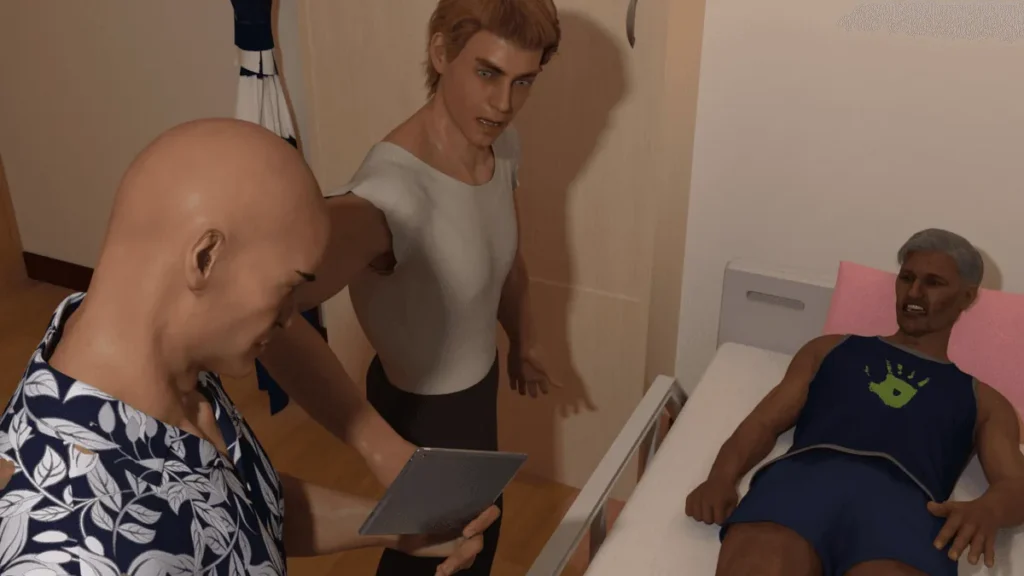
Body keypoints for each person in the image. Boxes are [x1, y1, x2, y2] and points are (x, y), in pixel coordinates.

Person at [0, 119, 497, 576]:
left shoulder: (165, 356)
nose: (290, 318)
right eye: (287, 288)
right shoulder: (63, 551)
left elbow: (241, 511)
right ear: (206, 258)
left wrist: (397, 526)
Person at [255, 1, 561, 574]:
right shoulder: (391, 194)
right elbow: (263, 303)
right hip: (422, 416)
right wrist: (378, 444)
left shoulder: (502, 147)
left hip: (479, 394)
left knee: (479, 542)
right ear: (441, 52)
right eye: (488, 72)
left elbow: (506, 256)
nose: (503, 103)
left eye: (523, 81)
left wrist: (524, 340)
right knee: (435, 558)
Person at [685, 228, 1024, 576]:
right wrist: (721, 478)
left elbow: (1016, 484)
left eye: (933, 283)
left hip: (906, 513)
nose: (914, 292)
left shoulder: (985, 401)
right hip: (800, 487)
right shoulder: (829, 350)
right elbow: (763, 422)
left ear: (967, 296)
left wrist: (989, 510)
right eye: (906, 278)